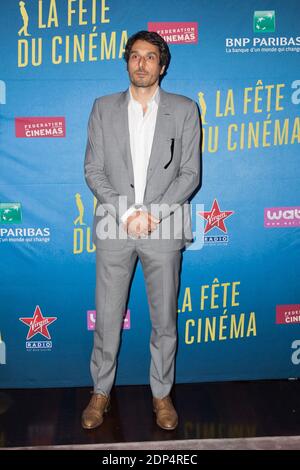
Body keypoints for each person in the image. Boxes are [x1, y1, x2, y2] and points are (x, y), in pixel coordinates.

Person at [82, 30, 201, 431]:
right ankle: (100, 391)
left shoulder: (185, 110)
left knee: (164, 319)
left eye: (150, 57)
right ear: (127, 62)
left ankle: (162, 394)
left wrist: (151, 213)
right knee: (108, 317)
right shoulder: (102, 108)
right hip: (114, 228)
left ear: (162, 65)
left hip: (163, 228)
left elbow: (190, 174)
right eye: (135, 56)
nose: (142, 63)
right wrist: (124, 211)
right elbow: (93, 170)